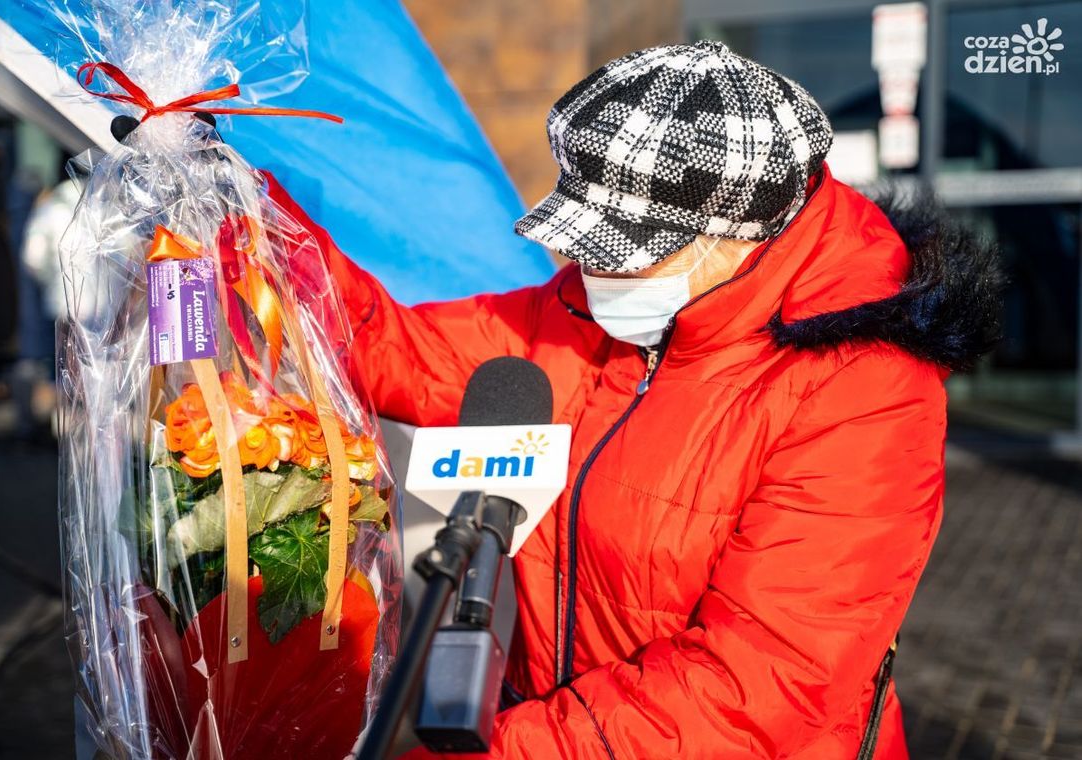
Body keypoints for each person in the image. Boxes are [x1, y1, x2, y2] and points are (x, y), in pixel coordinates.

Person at [269, 40, 1001, 759]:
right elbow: (395, 347)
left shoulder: (862, 387)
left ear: (738, 237)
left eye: (621, 249)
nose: (587, 268)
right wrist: (252, 223)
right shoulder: (590, 310)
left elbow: (754, 684)